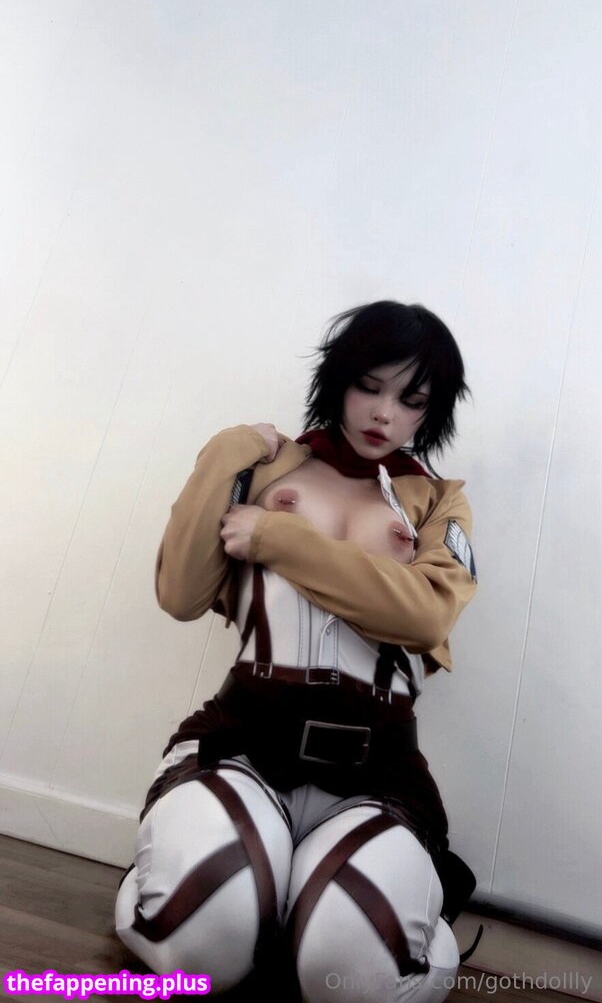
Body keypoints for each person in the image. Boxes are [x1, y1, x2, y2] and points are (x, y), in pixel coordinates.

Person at [115, 300, 478, 1002]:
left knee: (350, 977)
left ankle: (379, 919)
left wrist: (275, 538)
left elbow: (426, 614)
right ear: (339, 379)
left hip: (379, 769)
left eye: (411, 400)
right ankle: (218, 893)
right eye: (368, 386)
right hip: (244, 740)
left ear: (430, 412)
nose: (384, 414)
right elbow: (181, 593)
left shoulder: (440, 501)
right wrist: (226, 450)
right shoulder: (267, 465)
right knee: (203, 946)